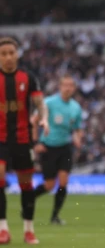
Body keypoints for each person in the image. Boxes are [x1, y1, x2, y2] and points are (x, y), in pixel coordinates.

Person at [0, 37, 49, 245]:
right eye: (3, 54)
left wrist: (44, 118)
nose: (8, 57)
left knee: (26, 185)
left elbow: (40, 104)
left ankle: (28, 229)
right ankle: (3, 229)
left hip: (22, 139)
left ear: (17, 54)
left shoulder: (28, 78)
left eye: (11, 52)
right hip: (0, 139)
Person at [32, 75, 84, 225]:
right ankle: (28, 199)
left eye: (70, 85)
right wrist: (35, 142)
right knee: (49, 185)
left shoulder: (76, 107)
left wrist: (78, 138)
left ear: (74, 88)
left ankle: (55, 217)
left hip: (64, 148)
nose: (68, 88)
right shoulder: (49, 103)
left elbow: (77, 128)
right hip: (48, 147)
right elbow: (34, 121)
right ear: (60, 87)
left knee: (63, 181)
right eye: (65, 85)